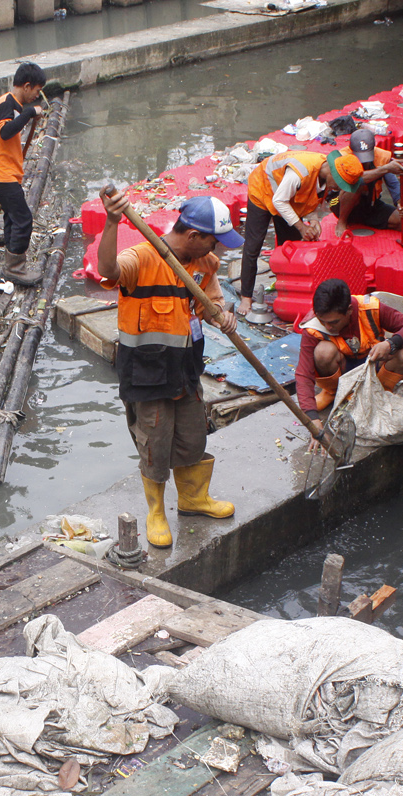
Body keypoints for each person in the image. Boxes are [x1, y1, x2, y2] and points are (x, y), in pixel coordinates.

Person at [97, 189, 242, 550]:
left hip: (186, 368)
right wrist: (113, 222)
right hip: (147, 373)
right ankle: (156, 511)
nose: (218, 249)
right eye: (214, 241)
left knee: (193, 438)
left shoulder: (204, 264)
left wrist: (223, 316)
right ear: (194, 236)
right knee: (155, 444)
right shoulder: (142, 258)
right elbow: (108, 271)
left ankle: (193, 498)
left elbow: (212, 304)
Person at [295, 278, 403, 447]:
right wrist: (312, 420)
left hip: (374, 366)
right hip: (342, 371)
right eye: (323, 321)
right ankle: (335, 393)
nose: (328, 327)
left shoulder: (370, 308)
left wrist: (390, 344)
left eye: (334, 322)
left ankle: (379, 394)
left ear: (349, 311)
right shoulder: (312, 327)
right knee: (322, 352)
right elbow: (304, 375)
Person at [236, 151, 341, 315]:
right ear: (331, 172)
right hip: (263, 190)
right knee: (253, 246)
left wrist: (313, 222)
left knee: (291, 246)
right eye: (339, 183)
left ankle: (287, 289)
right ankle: (246, 297)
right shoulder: (299, 173)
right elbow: (278, 201)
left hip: (286, 198)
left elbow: (311, 199)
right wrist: (301, 226)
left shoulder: (324, 177)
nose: (338, 188)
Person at [0, 62, 48, 287]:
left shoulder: (15, 106)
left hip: (6, 173)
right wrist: (30, 113)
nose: (36, 96)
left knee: (12, 215)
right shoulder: (6, 103)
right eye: (37, 91)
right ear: (27, 86)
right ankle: (15, 269)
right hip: (1, 175)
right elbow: (4, 130)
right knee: (23, 219)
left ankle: (11, 256)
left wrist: (27, 114)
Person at [328, 129, 403, 235]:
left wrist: (401, 203)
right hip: (340, 202)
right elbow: (357, 180)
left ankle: (365, 221)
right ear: (351, 150)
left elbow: (393, 183)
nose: (364, 161)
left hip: (370, 204)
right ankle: (342, 222)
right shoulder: (343, 157)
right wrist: (385, 169)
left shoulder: (381, 157)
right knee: (356, 186)